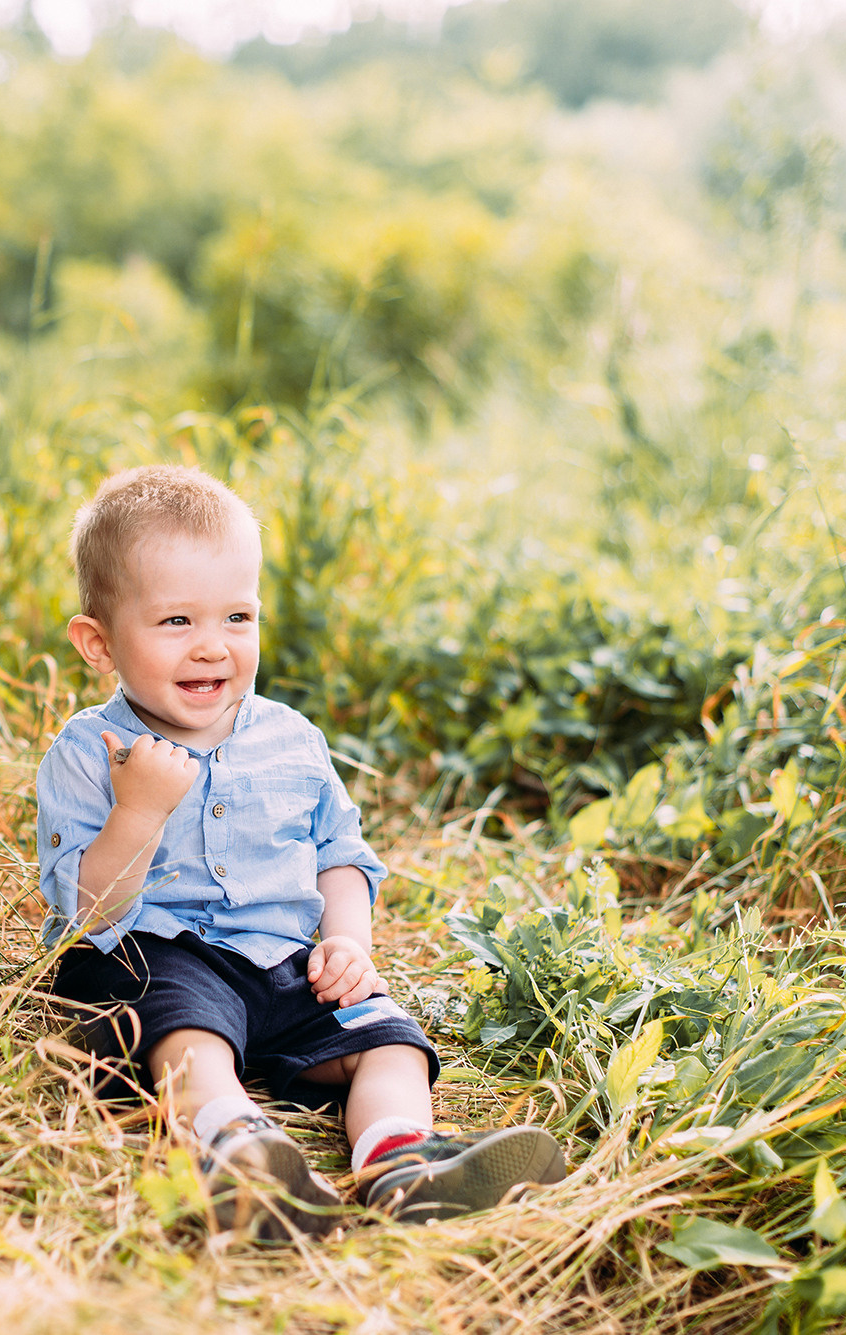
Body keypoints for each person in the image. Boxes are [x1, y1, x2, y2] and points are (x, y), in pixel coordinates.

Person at [37, 464, 566, 1240]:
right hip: (152, 958)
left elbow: (338, 854)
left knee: (389, 1041)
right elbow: (89, 910)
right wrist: (141, 808)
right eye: (176, 622)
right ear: (99, 641)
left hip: (281, 961)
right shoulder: (91, 751)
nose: (212, 646)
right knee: (189, 1033)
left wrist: (347, 940)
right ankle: (235, 1144)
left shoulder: (291, 738)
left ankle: (401, 1162)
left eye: (237, 616)